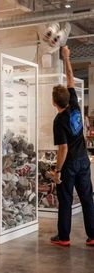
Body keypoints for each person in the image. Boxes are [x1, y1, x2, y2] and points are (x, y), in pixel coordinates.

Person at [51, 46, 94, 247]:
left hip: (69, 165)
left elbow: (63, 149)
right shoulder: (75, 104)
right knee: (87, 199)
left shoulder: (59, 120)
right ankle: (92, 236)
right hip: (84, 161)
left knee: (66, 200)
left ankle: (64, 237)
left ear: (54, 102)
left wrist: (57, 171)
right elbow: (70, 77)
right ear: (67, 98)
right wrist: (66, 56)